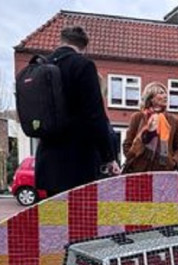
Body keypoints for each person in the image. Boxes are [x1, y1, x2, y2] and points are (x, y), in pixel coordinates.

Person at [35, 26, 117, 197]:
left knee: (54, 220)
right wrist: (109, 156)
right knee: (81, 219)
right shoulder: (83, 66)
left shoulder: (41, 65)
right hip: (78, 162)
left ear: (61, 41)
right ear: (84, 47)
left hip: (47, 160)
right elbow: (95, 115)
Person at [122, 82, 178, 173]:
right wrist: (133, 162)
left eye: (165, 93)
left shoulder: (173, 120)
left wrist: (174, 163)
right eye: (160, 93)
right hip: (140, 171)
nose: (165, 96)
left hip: (164, 170)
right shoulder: (138, 117)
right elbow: (127, 144)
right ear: (151, 98)